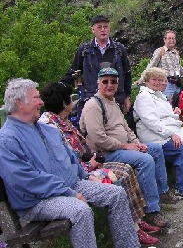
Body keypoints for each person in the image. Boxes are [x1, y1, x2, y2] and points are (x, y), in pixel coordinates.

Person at [0, 78, 140, 248]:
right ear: (19, 102)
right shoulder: (7, 139)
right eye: (36, 98)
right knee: (80, 211)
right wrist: (70, 193)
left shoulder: (47, 129)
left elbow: (71, 157)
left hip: (71, 185)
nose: (41, 102)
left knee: (116, 193)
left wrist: (86, 176)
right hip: (38, 200)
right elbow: (26, 180)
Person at [38, 82, 160, 246]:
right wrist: (91, 163)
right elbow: (66, 159)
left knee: (127, 169)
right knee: (120, 175)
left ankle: (135, 220)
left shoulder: (61, 120)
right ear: (64, 103)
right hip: (81, 171)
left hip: (88, 163)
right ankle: (133, 228)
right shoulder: (50, 126)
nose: (73, 103)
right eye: (70, 99)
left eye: (114, 81)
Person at [79, 67, 174, 229]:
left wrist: (137, 143)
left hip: (123, 148)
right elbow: (98, 139)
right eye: (105, 81)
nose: (110, 85)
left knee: (154, 149)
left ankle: (161, 192)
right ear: (98, 83)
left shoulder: (113, 102)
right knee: (146, 160)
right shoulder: (93, 105)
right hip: (106, 153)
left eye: (114, 81)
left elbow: (126, 128)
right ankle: (151, 210)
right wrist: (126, 146)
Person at [134, 67, 183, 199]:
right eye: (153, 79)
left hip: (172, 129)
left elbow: (166, 115)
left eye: (159, 80)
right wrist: (170, 134)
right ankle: (182, 188)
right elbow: (151, 122)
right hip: (154, 135)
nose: (157, 82)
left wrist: (175, 113)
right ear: (147, 81)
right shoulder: (143, 97)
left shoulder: (159, 95)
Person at [61, 14, 132, 114]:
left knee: (116, 128)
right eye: (99, 27)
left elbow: (127, 74)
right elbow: (73, 72)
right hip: (92, 100)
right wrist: (58, 87)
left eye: (105, 27)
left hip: (116, 100)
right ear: (92, 29)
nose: (103, 30)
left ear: (109, 28)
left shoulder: (119, 49)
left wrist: (127, 97)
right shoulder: (84, 50)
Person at [139, 30, 183, 100]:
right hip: (165, 84)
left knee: (178, 103)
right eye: (169, 38)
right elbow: (151, 66)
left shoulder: (176, 52)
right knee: (167, 103)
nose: (171, 40)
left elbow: (179, 68)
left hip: (177, 83)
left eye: (173, 38)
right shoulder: (160, 51)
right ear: (164, 40)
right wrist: (142, 79)